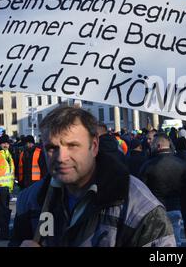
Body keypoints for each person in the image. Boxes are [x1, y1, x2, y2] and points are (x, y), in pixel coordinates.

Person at [9, 106, 175, 247]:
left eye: (72, 145)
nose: (61, 157)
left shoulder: (139, 206)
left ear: (94, 146)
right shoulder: (31, 200)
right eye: (52, 148)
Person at [139, 133, 186, 246]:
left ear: (158, 146)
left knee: (157, 241)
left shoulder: (149, 165)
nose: (150, 146)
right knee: (175, 239)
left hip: (156, 209)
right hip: (175, 206)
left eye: (153, 144)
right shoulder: (181, 164)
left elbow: (141, 190)